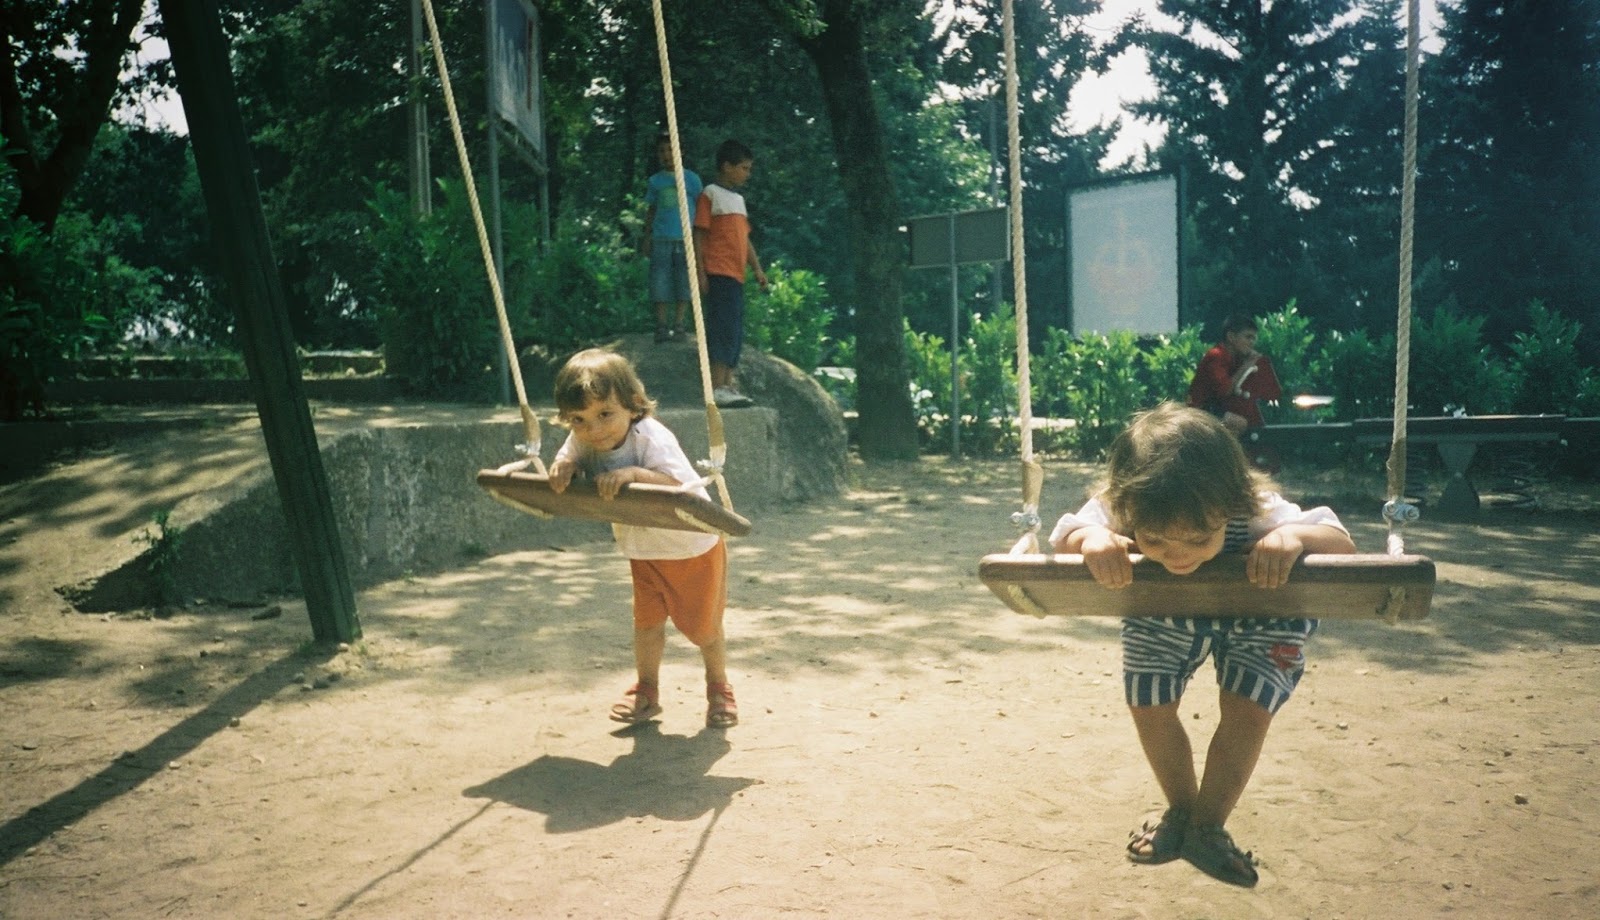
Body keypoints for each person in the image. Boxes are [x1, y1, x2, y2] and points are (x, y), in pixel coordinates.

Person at [1048, 402, 1356, 887]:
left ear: (1231, 503)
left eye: (1197, 540)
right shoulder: (1129, 502)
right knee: (1149, 704)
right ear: (1129, 508)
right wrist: (1090, 539)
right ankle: (1181, 811)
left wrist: (1294, 537)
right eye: (1155, 541)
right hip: (1165, 608)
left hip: (1259, 611)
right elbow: (1065, 534)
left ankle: (1207, 826)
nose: (1178, 555)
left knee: (1247, 708)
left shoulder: (1255, 508)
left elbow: (1341, 542)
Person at [547, 348, 738, 729]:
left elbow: (679, 486)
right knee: (646, 625)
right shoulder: (582, 438)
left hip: (690, 546)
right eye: (579, 420)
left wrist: (634, 474)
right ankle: (646, 690)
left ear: (633, 405)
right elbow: (568, 457)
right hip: (644, 549)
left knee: (703, 628)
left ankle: (719, 686)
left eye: (605, 414)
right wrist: (563, 466)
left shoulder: (651, 437)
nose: (594, 430)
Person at [694, 139, 769, 409]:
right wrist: (700, 272)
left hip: (736, 275)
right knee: (721, 329)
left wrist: (757, 268)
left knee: (734, 330)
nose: (747, 174)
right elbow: (699, 235)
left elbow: (744, 239)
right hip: (718, 272)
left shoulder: (738, 200)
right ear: (727, 167)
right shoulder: (710, 194)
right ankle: (717, 387)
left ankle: (728, 384)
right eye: (744, 168)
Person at [642, 133, 703, 344]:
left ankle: (679, 324)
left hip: (686, 240)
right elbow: (651, 210)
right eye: (662, 151)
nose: (666, 155)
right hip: (661, 239)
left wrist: (699, 240)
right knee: (660, 280)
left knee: (684, 280)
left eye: (671, 149)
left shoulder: (692, 179)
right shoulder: (656, 181)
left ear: (681, 151)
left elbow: (700, 210)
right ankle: (661, 325)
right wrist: (647, 236)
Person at [1187, 313, 1282, 434]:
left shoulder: (1236, 358)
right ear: (1231, 337)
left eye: (1254, 338)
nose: (1252, 342)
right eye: (1248, 337)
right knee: (1239, 423)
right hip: (1201, 410)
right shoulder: (1216, 356)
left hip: (1217, 408)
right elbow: (1225, 390)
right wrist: (1247, 365)